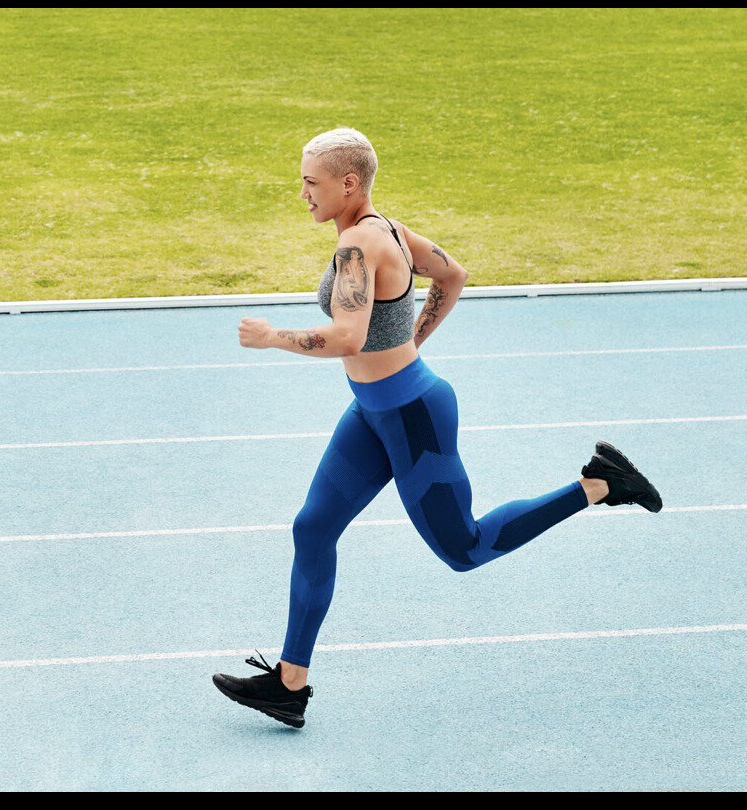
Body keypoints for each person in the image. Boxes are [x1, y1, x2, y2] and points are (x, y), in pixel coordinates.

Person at [215, 128, 662, 729]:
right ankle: (289, 685)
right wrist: (409, 344)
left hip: (413, 417)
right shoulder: (390, 231)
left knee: (466, 549)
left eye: (310, 182)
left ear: (348, 183)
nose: (303, 194)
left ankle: (600, 485)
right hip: (375, 410)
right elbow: (454, 276)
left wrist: (274, 337)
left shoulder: (358, 244)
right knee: (313, 527)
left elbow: (347, 336)